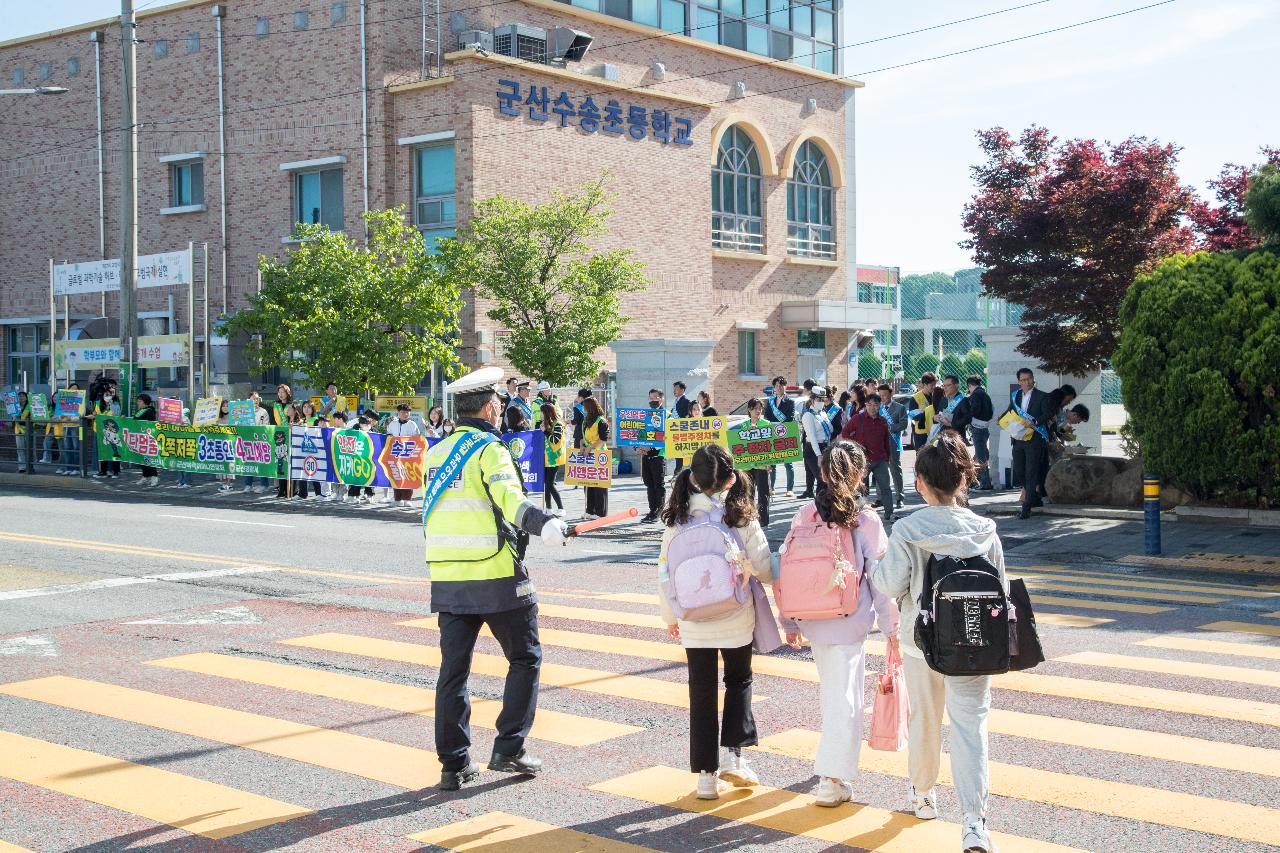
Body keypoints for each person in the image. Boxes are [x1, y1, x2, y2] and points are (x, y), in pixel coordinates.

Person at [422, 367, 569, 791]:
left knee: (454, 672)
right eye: (500, 403)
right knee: (525, 658)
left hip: (447, 577)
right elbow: (511, 502)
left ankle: (453, 764)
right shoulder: (490, 449)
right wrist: (547, 524)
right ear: (489, 407)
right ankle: (509, 747)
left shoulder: (437, 452)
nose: (502, 407)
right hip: (495, 575)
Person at [871, 432, 1005, 853]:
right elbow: (998, 587)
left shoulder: (909, 529)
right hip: (977, 643)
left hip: (922, 643)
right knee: (971, 729)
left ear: (921, 483)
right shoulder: (985, 530)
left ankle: (924, 794)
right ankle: (974, 822)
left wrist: (876, 570)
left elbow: (891, 584)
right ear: (963, 480)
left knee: (925, 720)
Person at [781, 440, 897, 807]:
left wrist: (790, 621)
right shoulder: (866, 520)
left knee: (835, 693)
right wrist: (893, 629)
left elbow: (784, 570)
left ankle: (834, 772)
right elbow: (882, 581)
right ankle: (832, 778)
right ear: (861, 474)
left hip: (813, 620)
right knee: (844, 699)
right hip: (849, 621)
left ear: (823, 473)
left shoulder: (805, 514)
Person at [658, 443, 772, 801]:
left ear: (692, 478)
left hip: (693, 622)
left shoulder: (676, 517)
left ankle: (706, 778)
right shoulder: (740, 515)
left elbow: (664, 572)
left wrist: (670, 617)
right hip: (735, 616)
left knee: (702, 692)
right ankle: (732, 758)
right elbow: (766, 568)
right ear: (728, 481)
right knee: (739, 679)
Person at [1001, 368, 1053, 519]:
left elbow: (1048, 413)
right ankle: (1034, 497)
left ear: (1033, 379)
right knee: (1019, 470)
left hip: (1034, 439)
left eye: (1029, 379)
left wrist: (1035, 421)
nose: (1027, 382)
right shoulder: (1016, 396)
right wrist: (1002, 418)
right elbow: (1011, 410)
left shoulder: (1042, 396)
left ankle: (1026, 506)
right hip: (1018, 438)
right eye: (1023, 380)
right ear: (1019, 382)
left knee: (1031, 471)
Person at [841, 393, 895, 522]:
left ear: (880, 406)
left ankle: (889, 513)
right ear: (865, 405)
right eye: (869, 404)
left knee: (886, 487)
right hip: (862, 460)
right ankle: (862, 515)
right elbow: (845, 433)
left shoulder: (883, 421)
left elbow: (886, 440)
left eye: (876, 405)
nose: (872, 407)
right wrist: (854, 447)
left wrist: (887, 457)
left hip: (880, 459)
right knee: (862, 489)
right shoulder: (857, 418)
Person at [385, 403, 423, 507]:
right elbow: (388, 435)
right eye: (402, 412)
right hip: (395, 454)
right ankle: (397, 499)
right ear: (398, 413)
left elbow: (417, 438)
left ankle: (407, 499)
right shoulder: (392, 424)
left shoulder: (412, 424)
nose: (405, 414)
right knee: (396, 475)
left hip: (408, 455)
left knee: (407, 476)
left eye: (407, 412)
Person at [638, 388, 667, 524]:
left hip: (658, 455)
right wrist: (637, 447)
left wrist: (651, 447)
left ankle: (658, 512)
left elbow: (667, 437)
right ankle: (651, 510)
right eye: (650, 398)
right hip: (645, 455)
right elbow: (638, 433)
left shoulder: (666, 415)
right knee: (649, 484)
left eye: (655, 398)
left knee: (658, 484)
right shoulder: (645, 415)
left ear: (661, 399)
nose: (652, 400)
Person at [764, 376, 796, 498]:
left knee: (788, 463)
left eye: (781, 386)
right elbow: (766, 416)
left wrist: (778, 426)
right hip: (772, 434)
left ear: (785, 386)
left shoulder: (790, 401)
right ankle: (771, 487)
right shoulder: (770, 401)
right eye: (776, 386)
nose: (778, 388)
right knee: (772, 463)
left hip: (785, 434)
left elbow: (790, 418)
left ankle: (789, 489)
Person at [742, 398, 771, 526]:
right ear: (749, 409)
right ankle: (749, 516)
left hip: (762, 463)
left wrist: (770, 463)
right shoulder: (744, 425)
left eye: (760, 408)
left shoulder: (766, 423)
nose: (758, 411)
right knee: (748, 492)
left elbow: (770, 444)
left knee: (763, 492)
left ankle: (763, 520)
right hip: (747, 464)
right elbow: (740, 445)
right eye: (755, 408)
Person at [799, 387, 832, 499]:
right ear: (812, 399)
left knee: (825, 480)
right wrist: (819, 455)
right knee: (822, 479)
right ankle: (820, 507)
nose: (821, 402)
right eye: (818, 399)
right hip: (813, 450)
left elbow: (830, 430)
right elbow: (812, 437)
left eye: (823, 399)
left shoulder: (823, 413)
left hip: (825, 447)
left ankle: (821, 506)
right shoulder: (808, 415)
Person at [581, 396, 610, 518]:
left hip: (600, 455)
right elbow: (581, 436)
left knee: (599, 485)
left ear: (590, 407)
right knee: (588, 483)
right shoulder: (585, 420)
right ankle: (589, 510)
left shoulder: (601, 421)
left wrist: (590, 447)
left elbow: (603, 439)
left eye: (585, 406)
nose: (583, 408)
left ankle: (600, 512)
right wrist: (582, 446)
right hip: (587, 455)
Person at [879, 384, 908, 507]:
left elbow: (903, 424)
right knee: (880, 471)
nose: (883, 398)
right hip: (879, 443)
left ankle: (899, 497)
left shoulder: (899, 408)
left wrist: (890, 427)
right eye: (880, 395)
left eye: (885, 395)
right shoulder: (877, 407)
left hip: (893, 442)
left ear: (891, 394)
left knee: (895, 470)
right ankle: (881, 498)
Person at [965, 376, 994, 490]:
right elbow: (991, 411)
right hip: (985, 426)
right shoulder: (985, 394)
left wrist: (967, 416)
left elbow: (974, 410)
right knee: (983, 453)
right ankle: (981, 479)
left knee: (981, 454)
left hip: (977, 426)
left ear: (970, 385)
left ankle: (985, 482)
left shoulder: (975, 395)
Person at [540, 402, 565, 516]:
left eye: (542, 412)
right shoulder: (546, 423)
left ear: (547, 413)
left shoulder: (558, 424)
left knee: (550, 484)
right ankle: (548, 508)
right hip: (546, 457)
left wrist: (545, 431)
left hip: (555, 458)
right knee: (546, 483)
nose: (540, 415)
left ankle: (561, 508)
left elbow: (555, 440)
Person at [90, 389, 120, 479]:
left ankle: (113, 471)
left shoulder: (115, 404)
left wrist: (111, 405)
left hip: (112, 431)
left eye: (109, 394)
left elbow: (117, 415)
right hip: (100, 430)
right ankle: (103, 471)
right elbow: (94, 414)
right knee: (102, 451)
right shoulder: (98, 404)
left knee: (113, 451)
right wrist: (93, 415)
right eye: (106, 395)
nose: (108, 396)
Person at [910, 373, 944, 451]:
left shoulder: (937, 396)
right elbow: (914, 417)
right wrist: (928, 415)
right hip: (922, 433)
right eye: (932, 385)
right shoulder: (915, 398)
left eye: (935, 385)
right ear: (925, 384)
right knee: (922, 458)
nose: (934, 387)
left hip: (935, 432)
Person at [934, 375, 972, 442]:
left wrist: (951, 424)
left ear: (956, 385)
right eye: (944, 386)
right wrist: (935, 418)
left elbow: (968, 418)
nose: (945, 388)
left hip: (957, 437)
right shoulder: (943, 399)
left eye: (948, 385)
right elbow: (938, 414)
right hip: (943, 436)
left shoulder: (963, 399)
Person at [135, 394, 159, 487]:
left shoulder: (149, 411)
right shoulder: (140, 411)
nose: (138, 403)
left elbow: (149, 424)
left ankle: (154, 477)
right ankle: (145, 476)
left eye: (140, 401)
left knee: (149, 458)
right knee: (142, 459)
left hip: (147, 438)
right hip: (139, 438)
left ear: (145, 402)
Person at [671, 381, 692, 475]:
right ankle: (678, 472)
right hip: (675, 430)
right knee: (677, 453)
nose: (674, 391)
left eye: (676, 389)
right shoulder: (676, 400)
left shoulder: (686, 401)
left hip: (682, 430)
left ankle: (679, 473)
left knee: (681, 453)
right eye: (674, 389)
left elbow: (687, 417)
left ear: (682, 389)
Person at [215, 399, 235, 493]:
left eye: (227, 406)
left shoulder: (233, 418)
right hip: (219, 445)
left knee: (230, 464)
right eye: (223, 406)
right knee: (221, 465)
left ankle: (229, 484)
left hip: (231, 445)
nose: (225, 408)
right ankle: (224, 483)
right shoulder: (217, 419)